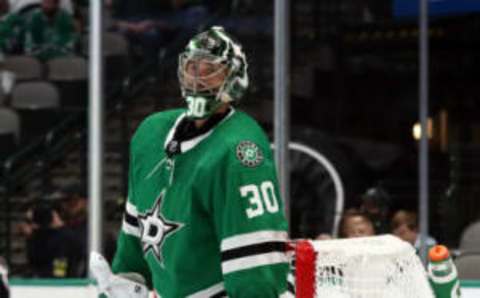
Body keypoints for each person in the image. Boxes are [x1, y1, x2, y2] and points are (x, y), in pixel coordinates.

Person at [92, 26, 291, 298]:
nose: (198, 77)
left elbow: (253, 264)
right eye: (192, 66)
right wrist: (123, 286)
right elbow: (134, 243)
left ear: (234, 77)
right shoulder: (150, 135)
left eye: (211, 69)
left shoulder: (240, 149)